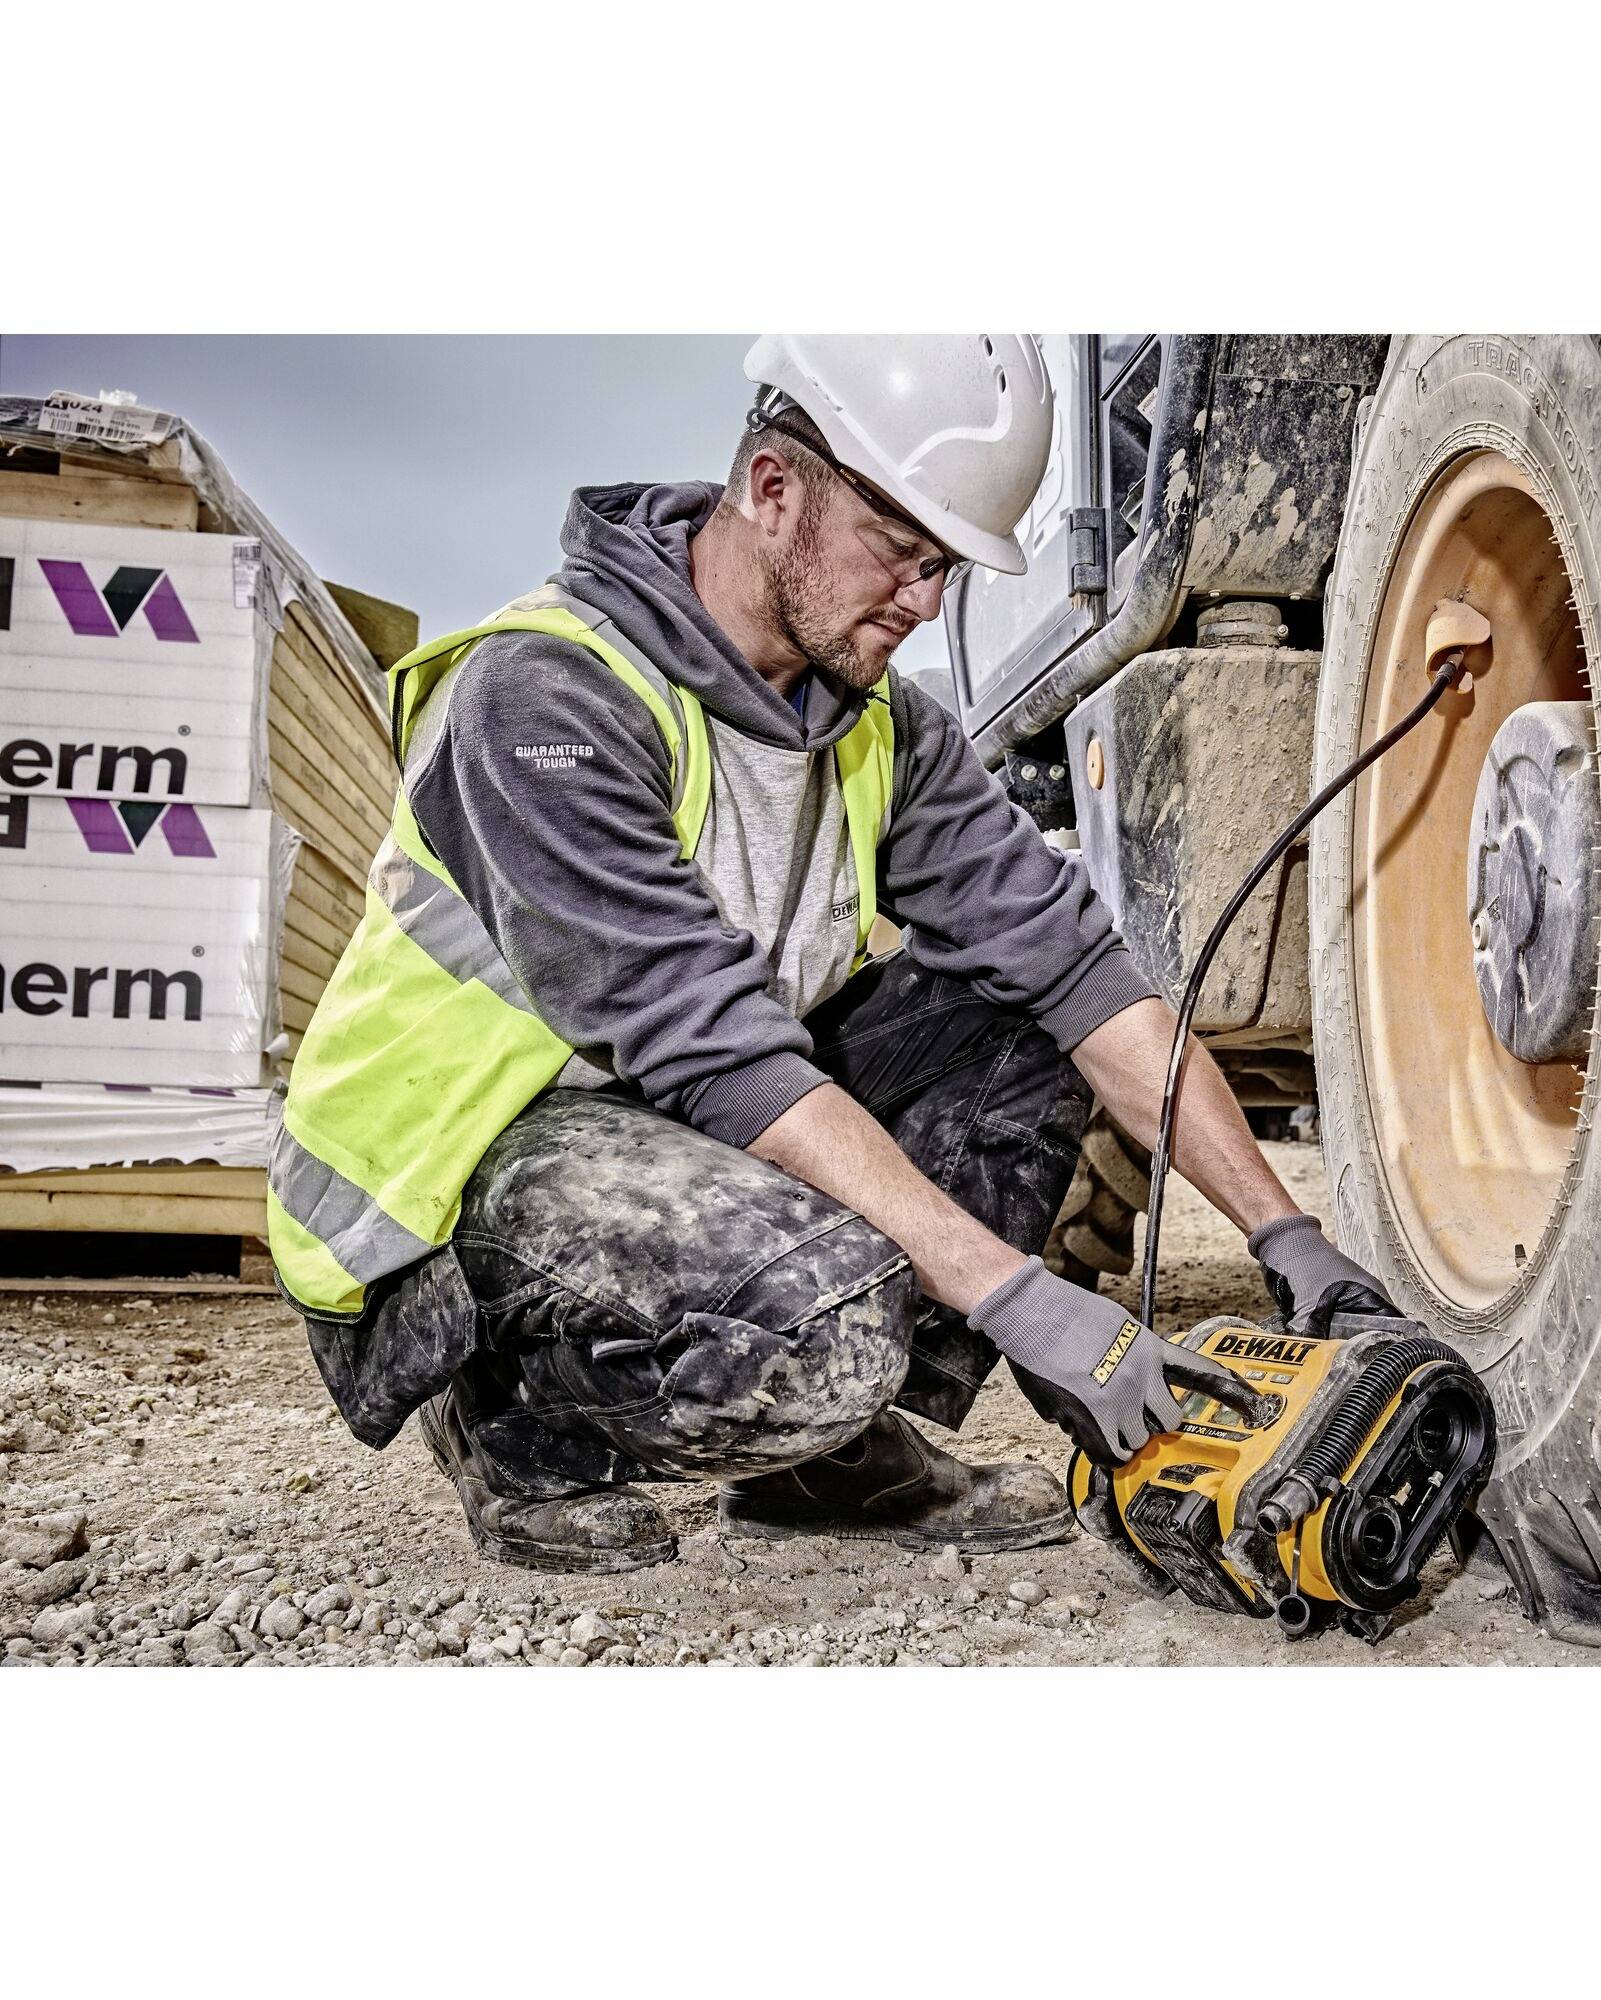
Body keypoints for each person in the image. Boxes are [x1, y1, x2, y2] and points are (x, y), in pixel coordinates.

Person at [269, 334, 1390, 1574]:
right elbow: (717, 1052)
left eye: (946, 568)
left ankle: (825, 1458)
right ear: (770, 488)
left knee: (1019, 1014)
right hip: (460, 1177)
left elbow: (1078, 973)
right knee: (830, 1318)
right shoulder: (545, 697)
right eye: (901, 551)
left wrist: (1287, 1238)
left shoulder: (877, 724)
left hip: (668, 1124)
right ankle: (515, 1414)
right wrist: (1016, 1295)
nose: (922, 602)